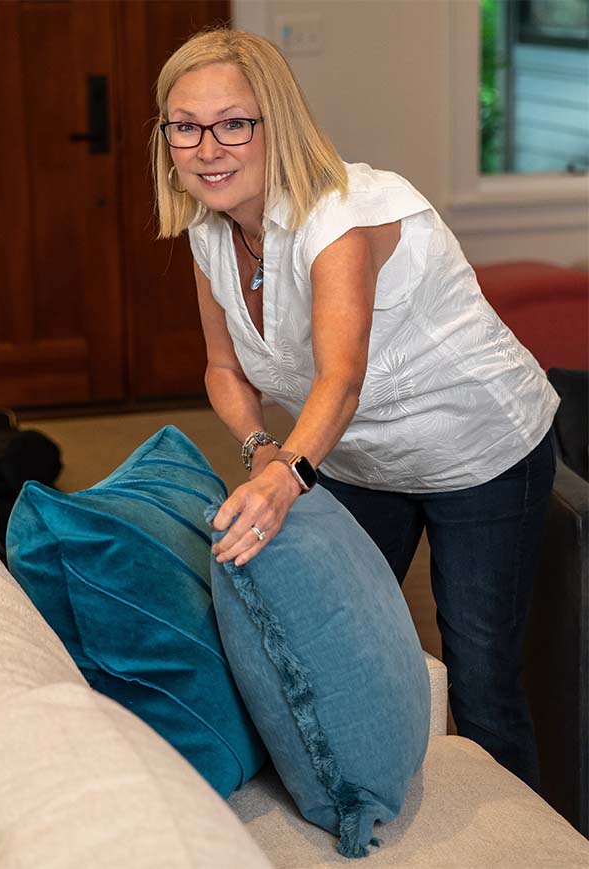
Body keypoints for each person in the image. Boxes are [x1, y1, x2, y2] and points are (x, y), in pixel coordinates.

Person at [151, 28, 559, 791]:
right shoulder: (210, 230)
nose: (207, 149)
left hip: (479, 449)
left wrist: (285, 478)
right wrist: (260, 449)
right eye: (185, 126)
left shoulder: (340, 217)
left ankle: (521, 834)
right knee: (328, 632)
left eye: (232, 123)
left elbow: (340, 378)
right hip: (355, 454)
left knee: (481, 674)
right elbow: (223, 367)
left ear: (276, 123)